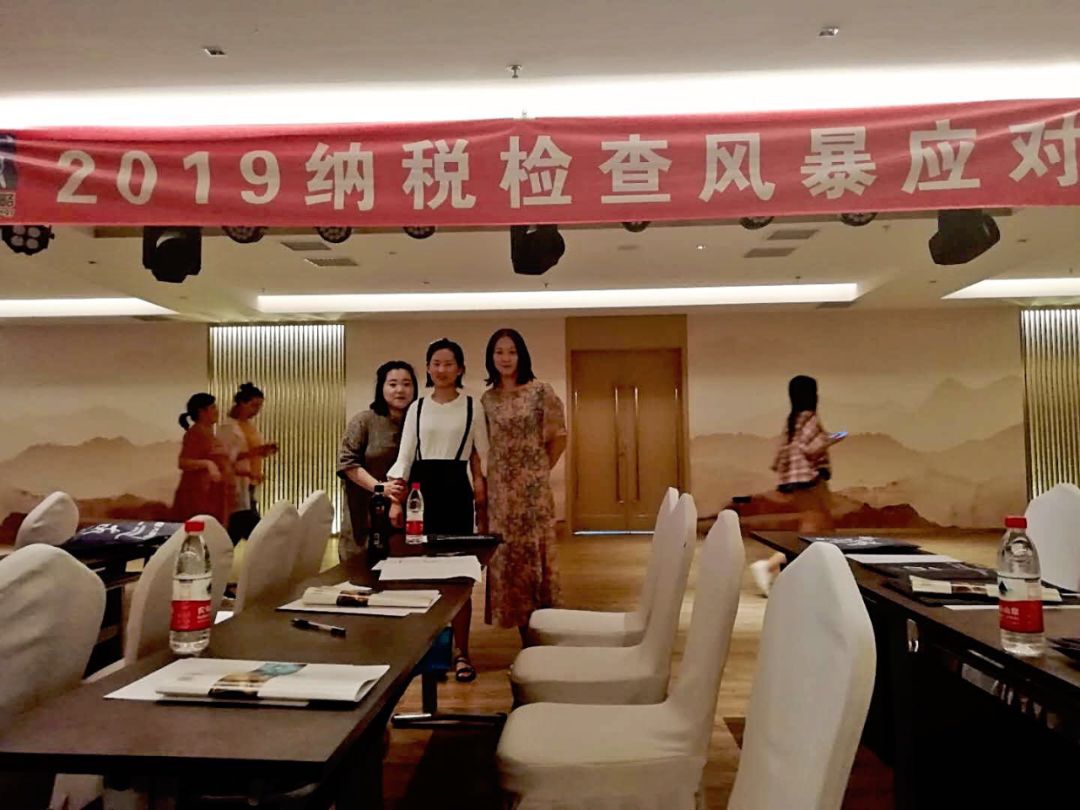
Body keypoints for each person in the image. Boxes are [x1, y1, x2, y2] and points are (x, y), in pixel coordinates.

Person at [389, 338, 489, 682]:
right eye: (436, 363)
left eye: (449, 363)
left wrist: (482, 496)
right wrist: (396, 501)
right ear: (428, 368)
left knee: (459, 576)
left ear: (460, 368)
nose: (442, 369)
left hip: (457, 491)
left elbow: (482, 455)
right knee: (422, 574)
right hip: (422, 493)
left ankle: (462, 652)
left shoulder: (473, 405)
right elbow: (405, 456)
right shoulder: (417, 407)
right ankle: (428, 651)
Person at [481, 328, 567, 644]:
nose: (505, 358)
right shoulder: (488, 399)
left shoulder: (540, 391)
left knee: (535, 555)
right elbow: (484, 443)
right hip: (500, 494)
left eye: (512, 352)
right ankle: (522, 633)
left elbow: (558, 437)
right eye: (499, 352)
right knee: (508, 558)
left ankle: (541, 632)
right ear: (491, 357)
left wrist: (538, 471)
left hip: (533, 492)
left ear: (522, 355)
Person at [751, 374, 845, 596]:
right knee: (813, 529)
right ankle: (770, 565)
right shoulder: (810, 418)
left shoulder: (793, 420)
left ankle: (813, 575)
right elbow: (810, 448)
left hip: (798, 479)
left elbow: (786, 451)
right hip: (809, 478)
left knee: (825, 530)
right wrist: (833, 438)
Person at [336, 361, 418, 562]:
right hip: (365, 514)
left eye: (406, 384)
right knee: (360, 573)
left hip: (408, 516)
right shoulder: (364, 421)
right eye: (392, 384)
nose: (400, 390)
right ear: (381, 387)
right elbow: (347, 463)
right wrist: (381, 488)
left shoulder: (419, 422)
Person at [218, 383, 278, 544]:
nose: (256, 410)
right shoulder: (227, 428)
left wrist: (262, 452)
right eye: (254, 405)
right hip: (237, 484)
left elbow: (250, 452)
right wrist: (256, 452)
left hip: (250, 483)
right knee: (252, 530)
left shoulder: (249, 427)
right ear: (241, 403)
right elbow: (225, 458)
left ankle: (215, 555)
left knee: (235, 530)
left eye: (259, 406)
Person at [172, 393, 233, 525]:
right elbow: (183, 462)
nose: (217, 411)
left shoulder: (209, 433)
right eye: (213, 407)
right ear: (202, 412)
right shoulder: (195, 433)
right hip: (197, 496)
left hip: (213, 495)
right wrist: (208, 464)